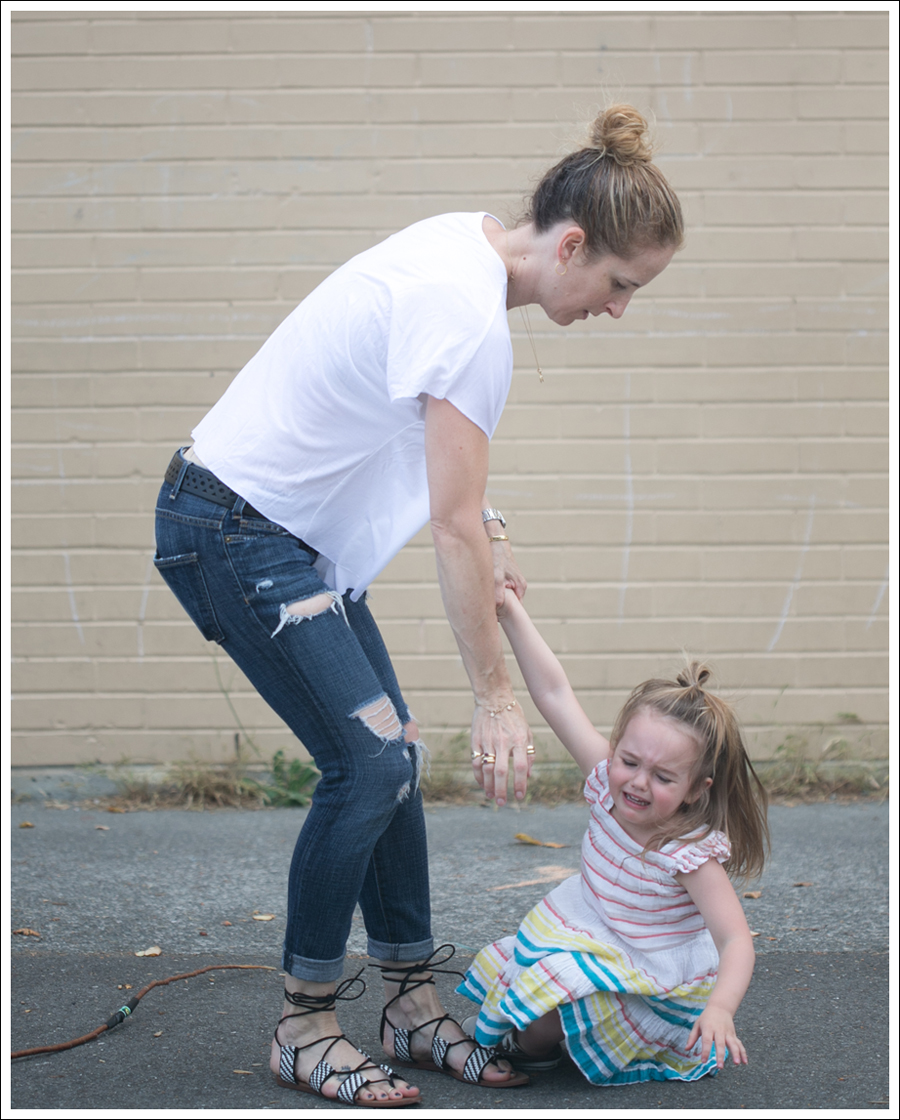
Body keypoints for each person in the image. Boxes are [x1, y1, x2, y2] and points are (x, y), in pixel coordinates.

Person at [153, 103, 683, 1106]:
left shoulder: (460, 246)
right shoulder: (471, 319)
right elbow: (449, 527)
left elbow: (440, 464)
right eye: (619, 284)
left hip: (285, 538)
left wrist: (499, 531)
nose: (618, 309)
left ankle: (407, 1002)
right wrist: (495, 693)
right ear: (572, 244)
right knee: (371, 760)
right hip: (231, 529)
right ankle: (306, 1025)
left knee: (386, 758)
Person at [458, 590, 769, 1085]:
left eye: (664, 777)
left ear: (695, 791)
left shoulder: (687, 852)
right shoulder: (605, 781)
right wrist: (510, 612)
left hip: (651, 978)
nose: (638, 782)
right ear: (617, 750)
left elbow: (735, 940)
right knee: (531, 997)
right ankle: (526, 1035)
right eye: (629, 761)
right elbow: (555, 693)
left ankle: (528, 1048)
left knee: (541, 1023)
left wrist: (721, 1010)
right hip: (592, 934)